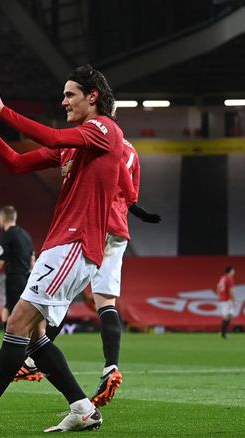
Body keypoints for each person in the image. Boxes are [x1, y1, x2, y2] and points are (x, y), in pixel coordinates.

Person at [0, 65, 123, 433]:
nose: (63, 101)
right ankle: (83, 409)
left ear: (93, 96)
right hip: (61, 245)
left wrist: (4, 110)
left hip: (74, 243)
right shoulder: (78, 146)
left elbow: (51, 137)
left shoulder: (104, 130)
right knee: (34, 337)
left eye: (70, 95)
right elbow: (16, 163)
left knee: (17, 321)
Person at [43, 136, 161, 407]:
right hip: (119, 229)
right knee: (106, 302)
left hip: (93, 222)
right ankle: (111, 367)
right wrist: (136, 209)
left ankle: (30, 357)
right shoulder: (132, 150)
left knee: (64, 293)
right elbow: (132, 191)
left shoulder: (99, 138)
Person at [0, 206, 39, 381]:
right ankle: (14, 351)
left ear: (1, 218)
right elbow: (32, 260)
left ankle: (15, 354)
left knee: (14, 316)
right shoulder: (26, 235)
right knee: (7, 310)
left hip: (15, 278)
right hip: (27, 278)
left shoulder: (8, 235)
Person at [217, 266, 236, 339]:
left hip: (224, 299)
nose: (234, 273)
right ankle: (223, 333)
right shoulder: (229, 278)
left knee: (230, 315)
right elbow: (231, 290)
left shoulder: (222, 278)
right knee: (226, 316)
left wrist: (219, 296)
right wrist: (234, 300)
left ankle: (224, 332)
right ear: (230, 271)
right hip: (226, 300)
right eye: (233, 271)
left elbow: (218, 287)